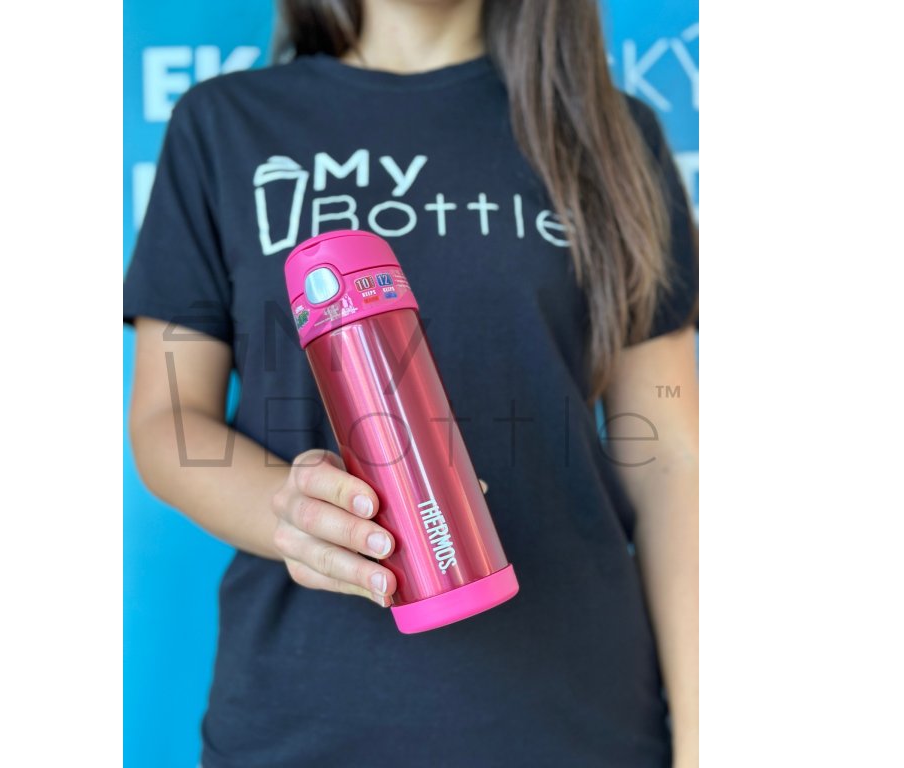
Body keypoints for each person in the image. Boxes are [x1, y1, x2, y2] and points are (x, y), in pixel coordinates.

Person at [123, 0, 699, 765]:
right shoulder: (224, 125)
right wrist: (290, 513)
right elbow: (168, 421)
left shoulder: (612, 132)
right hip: (301, 721)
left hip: (579, 717)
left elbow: (669, 458)